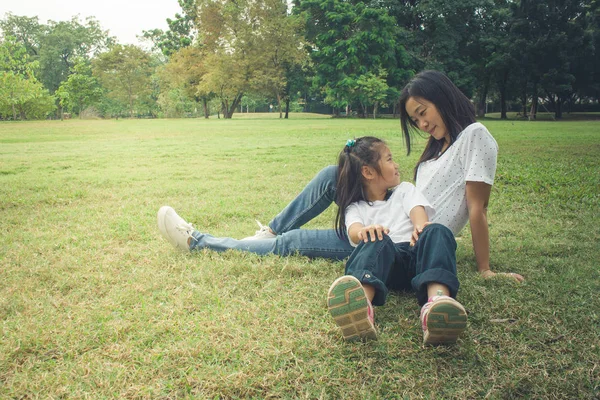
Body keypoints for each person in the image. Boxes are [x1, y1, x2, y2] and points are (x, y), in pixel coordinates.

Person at [157, 70, 523, 282]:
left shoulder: (475, 136)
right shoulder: (437, 147)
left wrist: (485, 270)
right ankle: (267, 231)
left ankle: (200, 241)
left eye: (424, 113)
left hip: (400, 240)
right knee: (334, 174)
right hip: (389, 216)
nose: (422, 124)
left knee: (294, 242)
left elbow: (477, 209)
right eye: (415, 119)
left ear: (445, 98)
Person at [326, 136, 466, 344]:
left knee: (437, 230)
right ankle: (361, 307)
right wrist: (366, 231)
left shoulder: (404, 190)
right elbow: (354, 231)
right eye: (389, 159)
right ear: (368, 171)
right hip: (384, 266)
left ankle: (437, 302)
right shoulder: (355, 207)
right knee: (376, 238)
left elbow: (418, 214)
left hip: (417, 258)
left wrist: (420, 226)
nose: (396, 164)